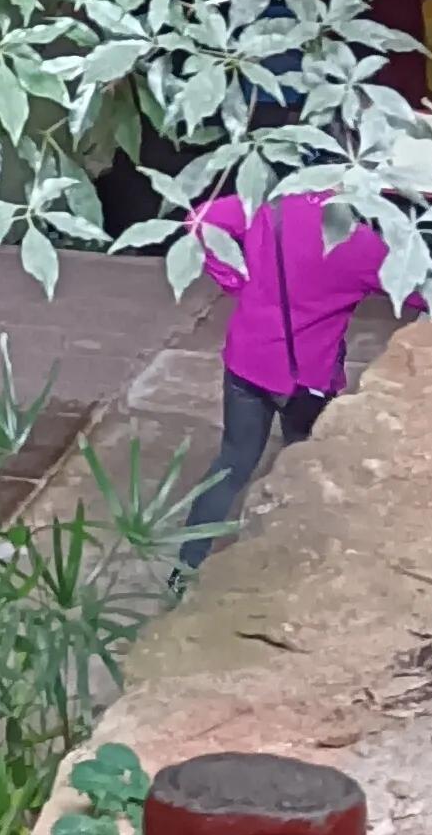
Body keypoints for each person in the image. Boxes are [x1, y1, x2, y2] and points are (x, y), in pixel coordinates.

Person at [174, 187, 408, 571]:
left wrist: (232, 278)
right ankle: (292, 567)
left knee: (232, 463)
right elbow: (420, 292)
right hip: (308, 378)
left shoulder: (271, 203)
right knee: (307, 463)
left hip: (247, 362)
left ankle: (184, 569)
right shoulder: (364, 246)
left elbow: (198, 221)